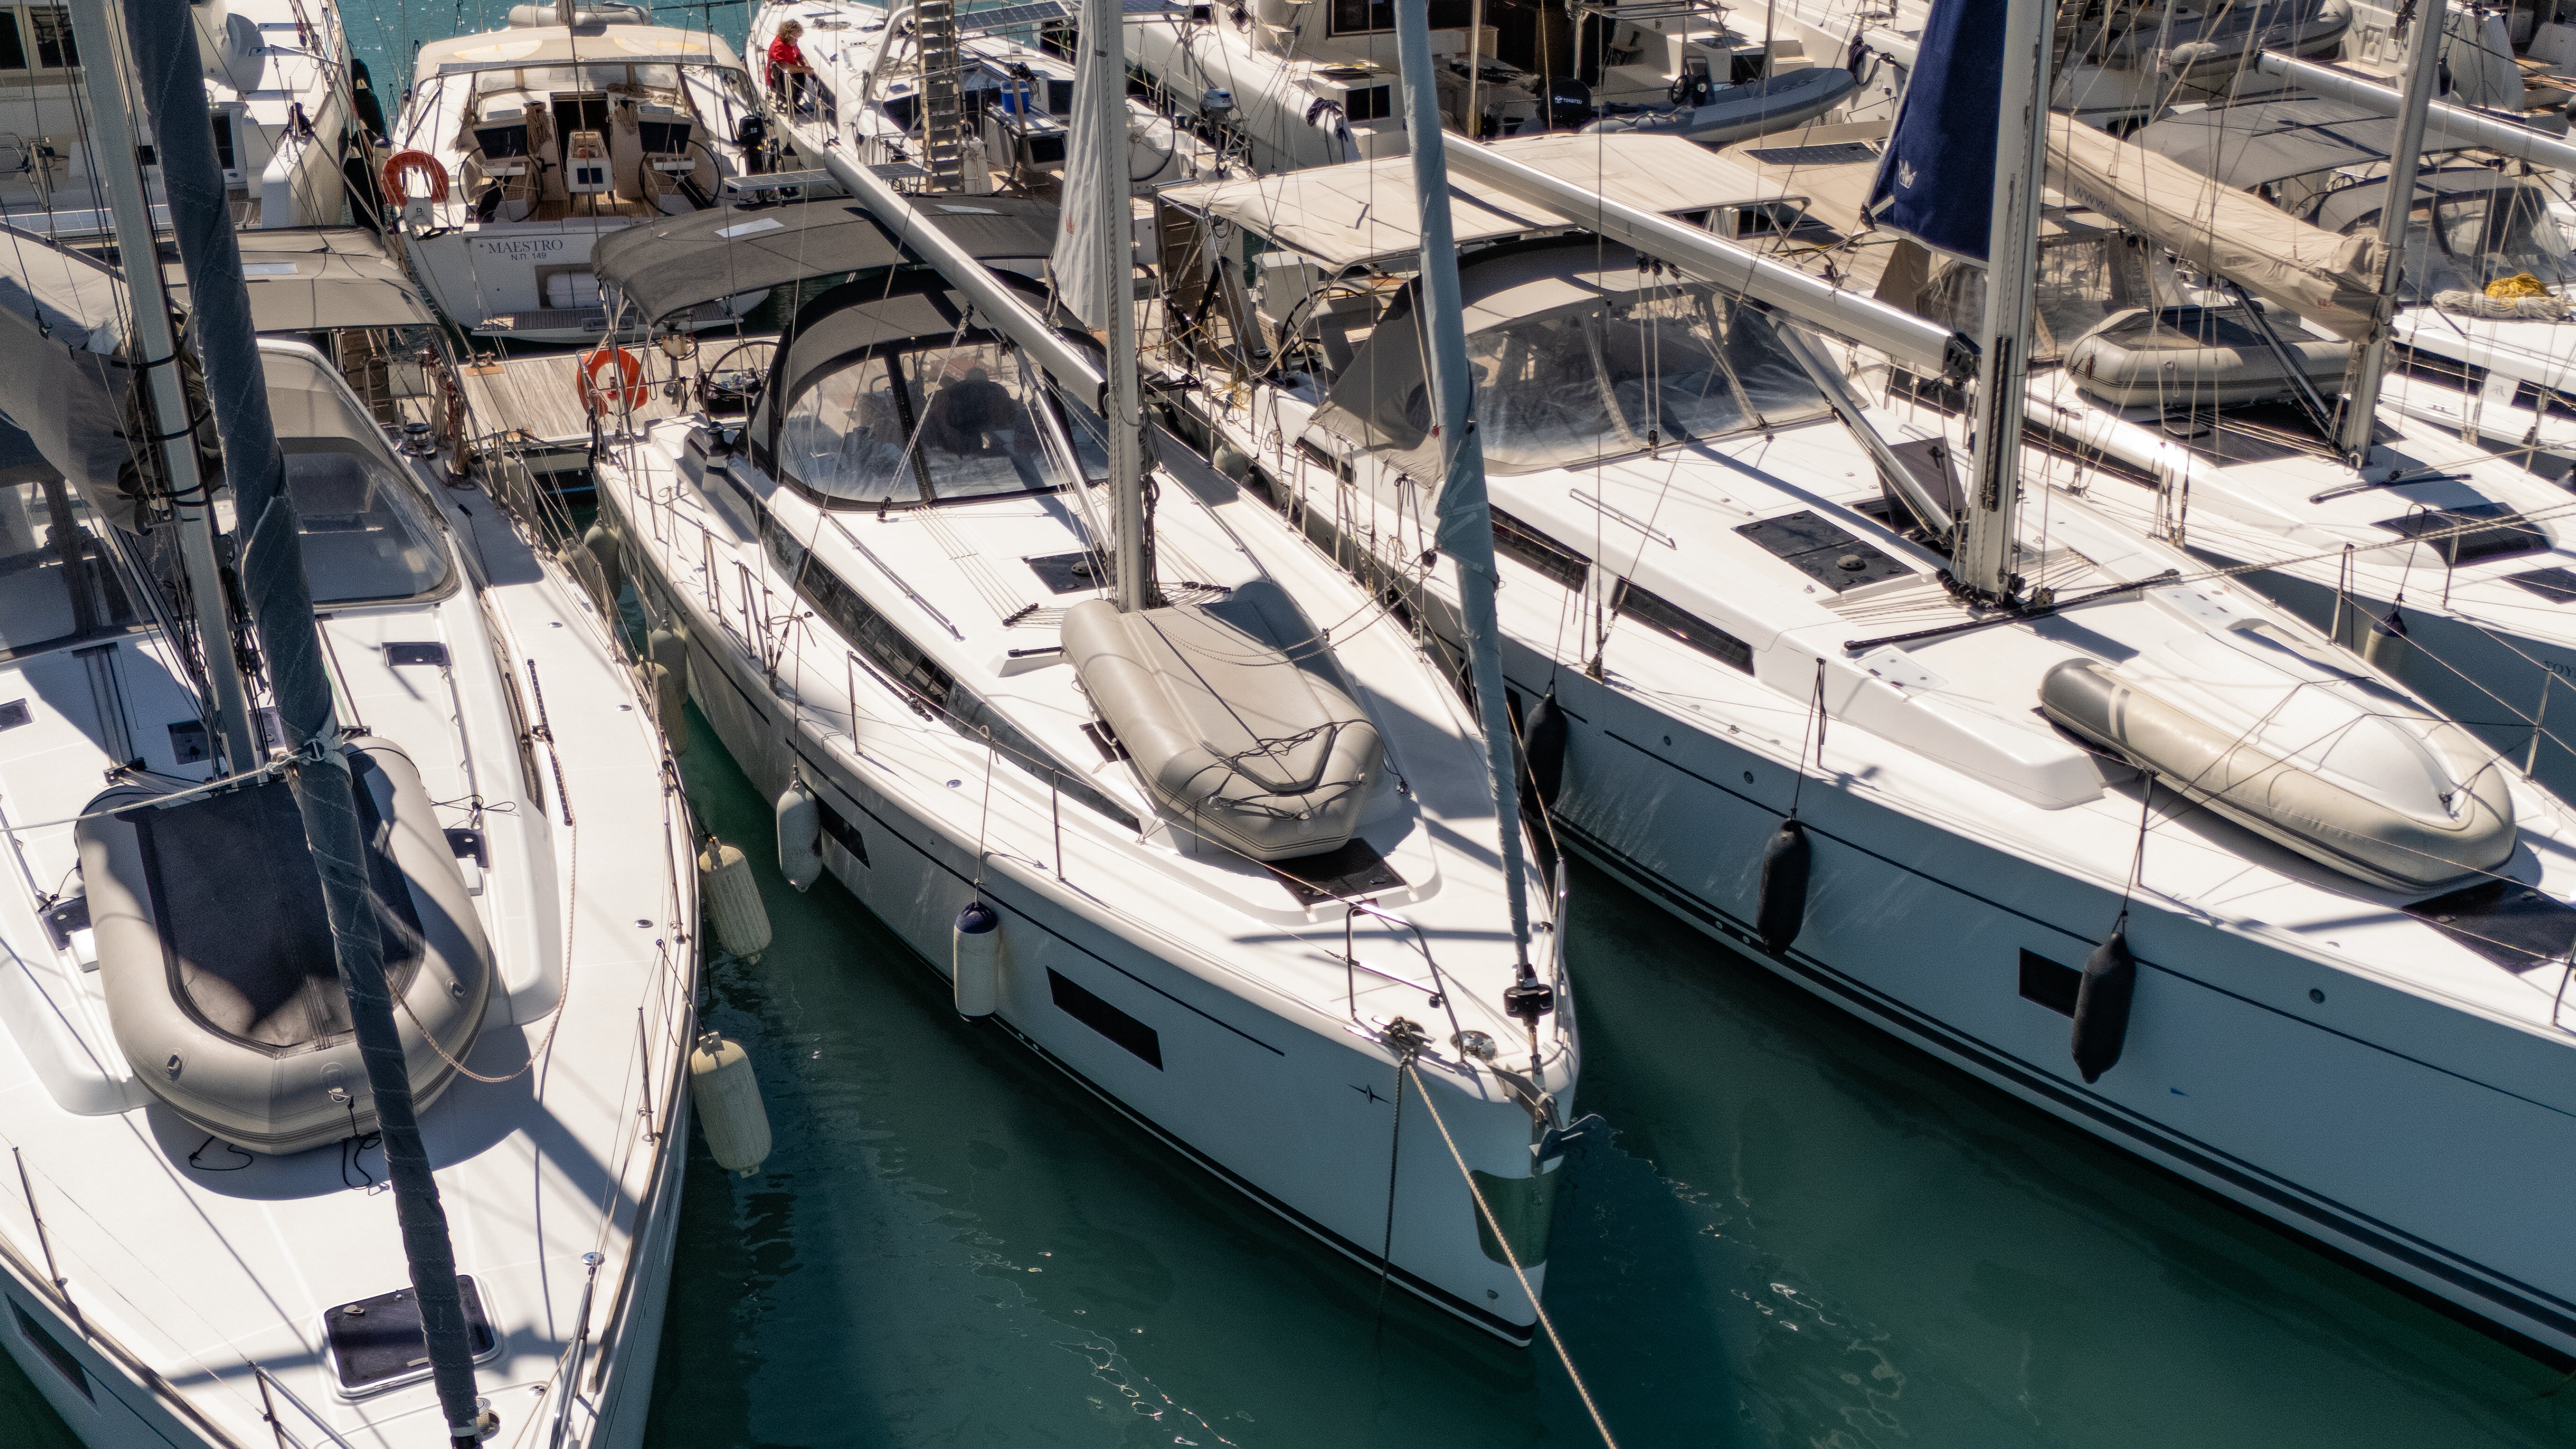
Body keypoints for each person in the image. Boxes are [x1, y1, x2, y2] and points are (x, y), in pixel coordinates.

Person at [767, 21, 812, 116]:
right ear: (787, 35)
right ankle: (790, 103)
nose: (796, 41)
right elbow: (785, 66)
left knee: (800, 74)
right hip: (779, 76)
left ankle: (794, 101)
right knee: (797, 74)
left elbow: (799, 56)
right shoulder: (778, 46)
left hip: (788, 71)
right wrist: (804, 70)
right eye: (795, 38)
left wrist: (806, 65)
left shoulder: (791, 42)